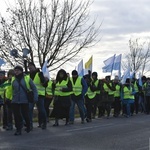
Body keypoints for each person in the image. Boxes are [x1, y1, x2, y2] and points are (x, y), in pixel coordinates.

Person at [11, 65, 38, 135]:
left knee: (25, 114)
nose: (16, 72)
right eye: (15, 70)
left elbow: (34, 88)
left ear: (21, 71)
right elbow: (10, 89)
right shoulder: (13, 79)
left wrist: (35, 97)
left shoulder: (27, 78)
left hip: (24, 99)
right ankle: (18, 129)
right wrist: (9, 98)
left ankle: (28, 125)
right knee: (16, 115)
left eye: (18, 70)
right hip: (15, 100)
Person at [28, 62, 47, 129]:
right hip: (31, 95)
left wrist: (44, 80)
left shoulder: (39, 74)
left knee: (41, 110)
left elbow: (45, 85)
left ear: (34, 66)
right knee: (29, 110)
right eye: (29, 67)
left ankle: (44, 122)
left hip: (40, 95)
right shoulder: (28, 76)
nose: (30, 68)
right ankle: (30, 125)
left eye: (31, 67)